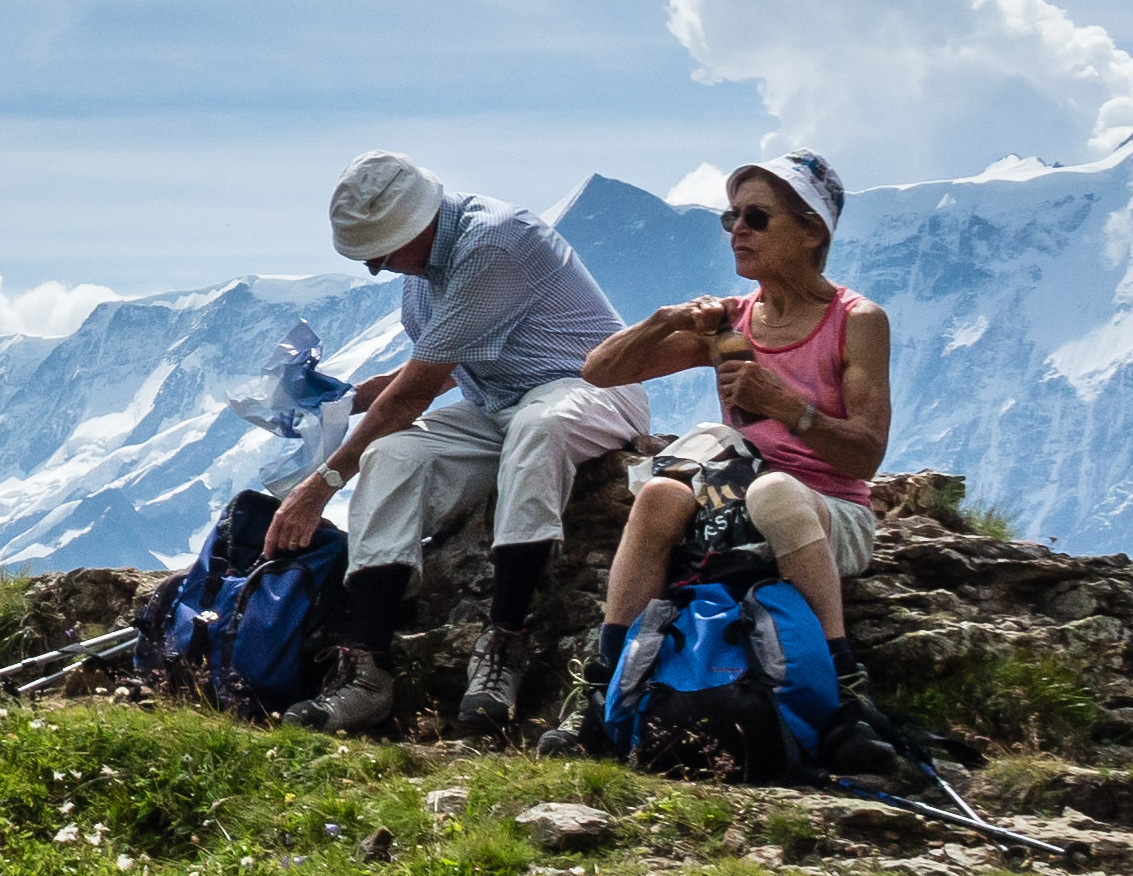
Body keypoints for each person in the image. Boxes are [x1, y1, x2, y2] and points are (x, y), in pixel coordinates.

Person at [255, 152, 654, 738]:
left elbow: (416, 391)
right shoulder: (428, 275)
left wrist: (321, 485)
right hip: (497, 403)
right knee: (391, 455)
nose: (379, 268)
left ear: (416, 228)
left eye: (382, 254)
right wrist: (337, 400)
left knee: (537, 429)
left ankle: (505, 644)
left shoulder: (493, 244)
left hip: (588, 388)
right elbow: (440, 369)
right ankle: (364, 671)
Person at [580, 150, 893, 649]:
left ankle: (840, 680)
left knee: (775, 494)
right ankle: (608, 675)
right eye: (732, 216)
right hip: (740, 498)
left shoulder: (857, 321)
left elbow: (866, 458)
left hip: (829, 514)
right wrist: (667, 320)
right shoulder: (731, 323)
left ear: (812, 232)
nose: (737, 231)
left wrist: (784, 406)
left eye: (757, 217)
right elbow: (600, 371)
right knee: (661, 495)